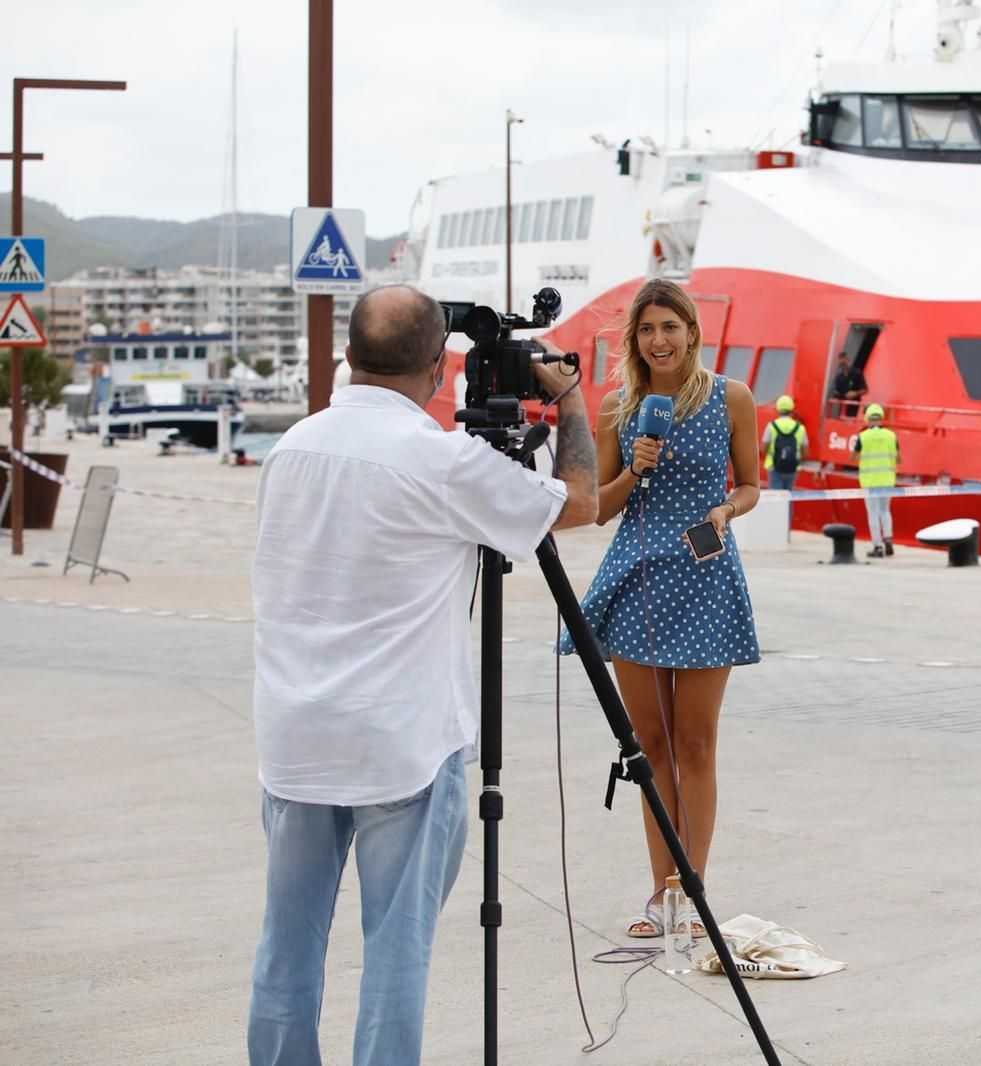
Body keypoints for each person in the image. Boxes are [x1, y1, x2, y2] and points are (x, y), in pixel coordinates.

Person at [247, 284, 598, 1066]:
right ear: (441, 367)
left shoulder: (290, 448)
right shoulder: (441, 461)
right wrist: (571, 403)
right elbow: (578, 501)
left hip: (295, 740)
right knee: (394, 956)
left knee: (286, 950)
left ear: (348, 354)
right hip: (399, 744)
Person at [558, 277, 760, 940]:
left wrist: (726, 510)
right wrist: (634, 468)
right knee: (649, 746)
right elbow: (598, 511)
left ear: (691, 330)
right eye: (647, 330)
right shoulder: (620, 407)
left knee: (696, 743)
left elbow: (752, 484)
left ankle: (692, 893)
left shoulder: (732, 397)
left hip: (705, 577)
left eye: (670, 327)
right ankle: (660, 893)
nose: (659, 340)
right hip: (638, 579)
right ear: (634, 340)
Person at [853, 402, 899, 558]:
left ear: (867, 419)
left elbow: (854, 457)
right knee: (886, 511)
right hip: (887, 479)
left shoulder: (863, 436)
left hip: (870, 481)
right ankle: (888, 538)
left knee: (873, 513)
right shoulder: (891, 436)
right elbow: (898, 458)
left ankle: (877, 547)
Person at [761, 394, 807, 491]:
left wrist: (775, 456)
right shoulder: (800, 428)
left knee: (775, 499)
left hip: (774, 467)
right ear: (792, 409)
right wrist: (793, 459)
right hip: (793, 468)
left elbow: (763, 448)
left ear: (778, 409)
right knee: (789, 497)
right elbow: (806, 451)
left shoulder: (772, 426)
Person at [830, 352, 867, 417]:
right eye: (841, 364)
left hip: (853, 407)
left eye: (844, 363)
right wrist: (836, 394)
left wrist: (855, 393)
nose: (843, 366)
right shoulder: (839, 377)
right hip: (841, 408)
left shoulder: (857, 373)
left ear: (848, 360)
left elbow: (865, 390)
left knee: (850, 420)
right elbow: (836, 391)